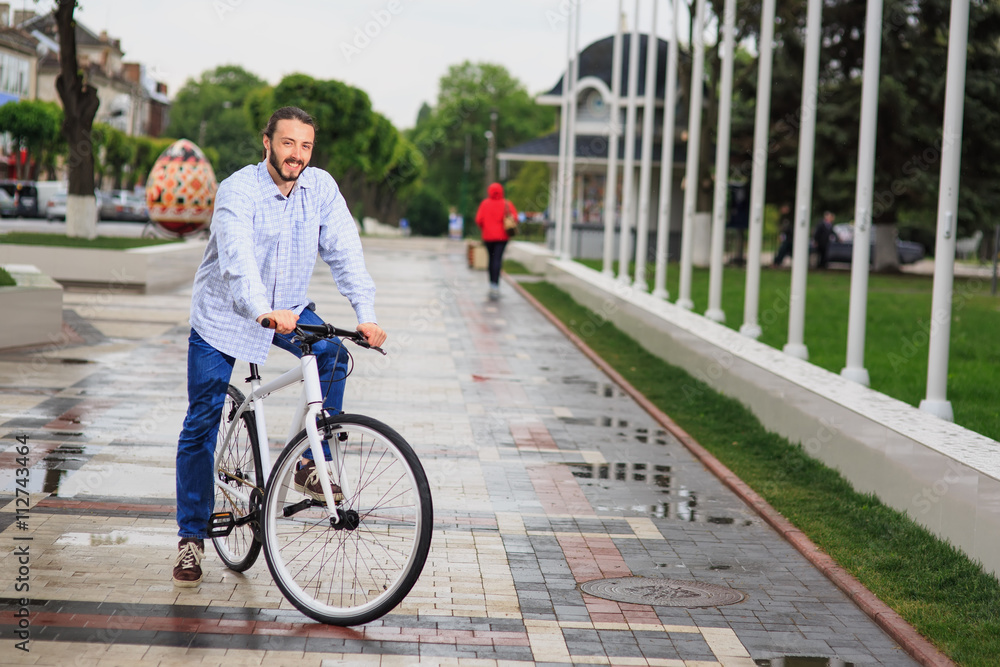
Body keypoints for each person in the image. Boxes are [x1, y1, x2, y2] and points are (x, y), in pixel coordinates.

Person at [172, 106, 387, 587]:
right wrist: (259, 309)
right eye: (288, 143)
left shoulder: (321, 189)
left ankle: (311, 462)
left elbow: (345, 250)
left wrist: (366, 314)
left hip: (286, 310)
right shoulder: (238, 189)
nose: (297, 155)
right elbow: (237, 260)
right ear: (267, 142)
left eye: (305, 146)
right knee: (202, 419)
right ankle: (191, 537)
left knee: (333, 354)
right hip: (225, 314)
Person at [475, 182, 517, 300]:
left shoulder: (485, 204)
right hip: (502, 237)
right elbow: (515, 218)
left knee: (491, 259)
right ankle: (496, 286)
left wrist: (485, 228)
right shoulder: (506, 204)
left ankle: (491, 285)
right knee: (497, 259)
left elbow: (479, 219)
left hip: (488, 237)